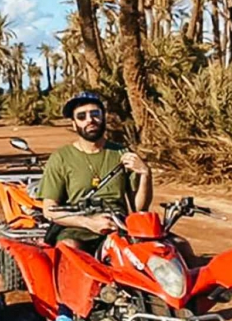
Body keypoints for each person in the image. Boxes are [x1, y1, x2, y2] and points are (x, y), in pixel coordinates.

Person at [39, 91, 154, 253]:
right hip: (77, 228)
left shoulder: (122, 153)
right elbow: (49, 210)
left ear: (103, 118)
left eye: (95, 114)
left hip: (118, 225)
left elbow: (139, 208)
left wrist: (145, 174)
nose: (90, 120)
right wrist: (88, 222)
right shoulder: (61, 158)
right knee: (70, 249)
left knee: (171, 248)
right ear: (74, 124)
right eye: (81, 117)